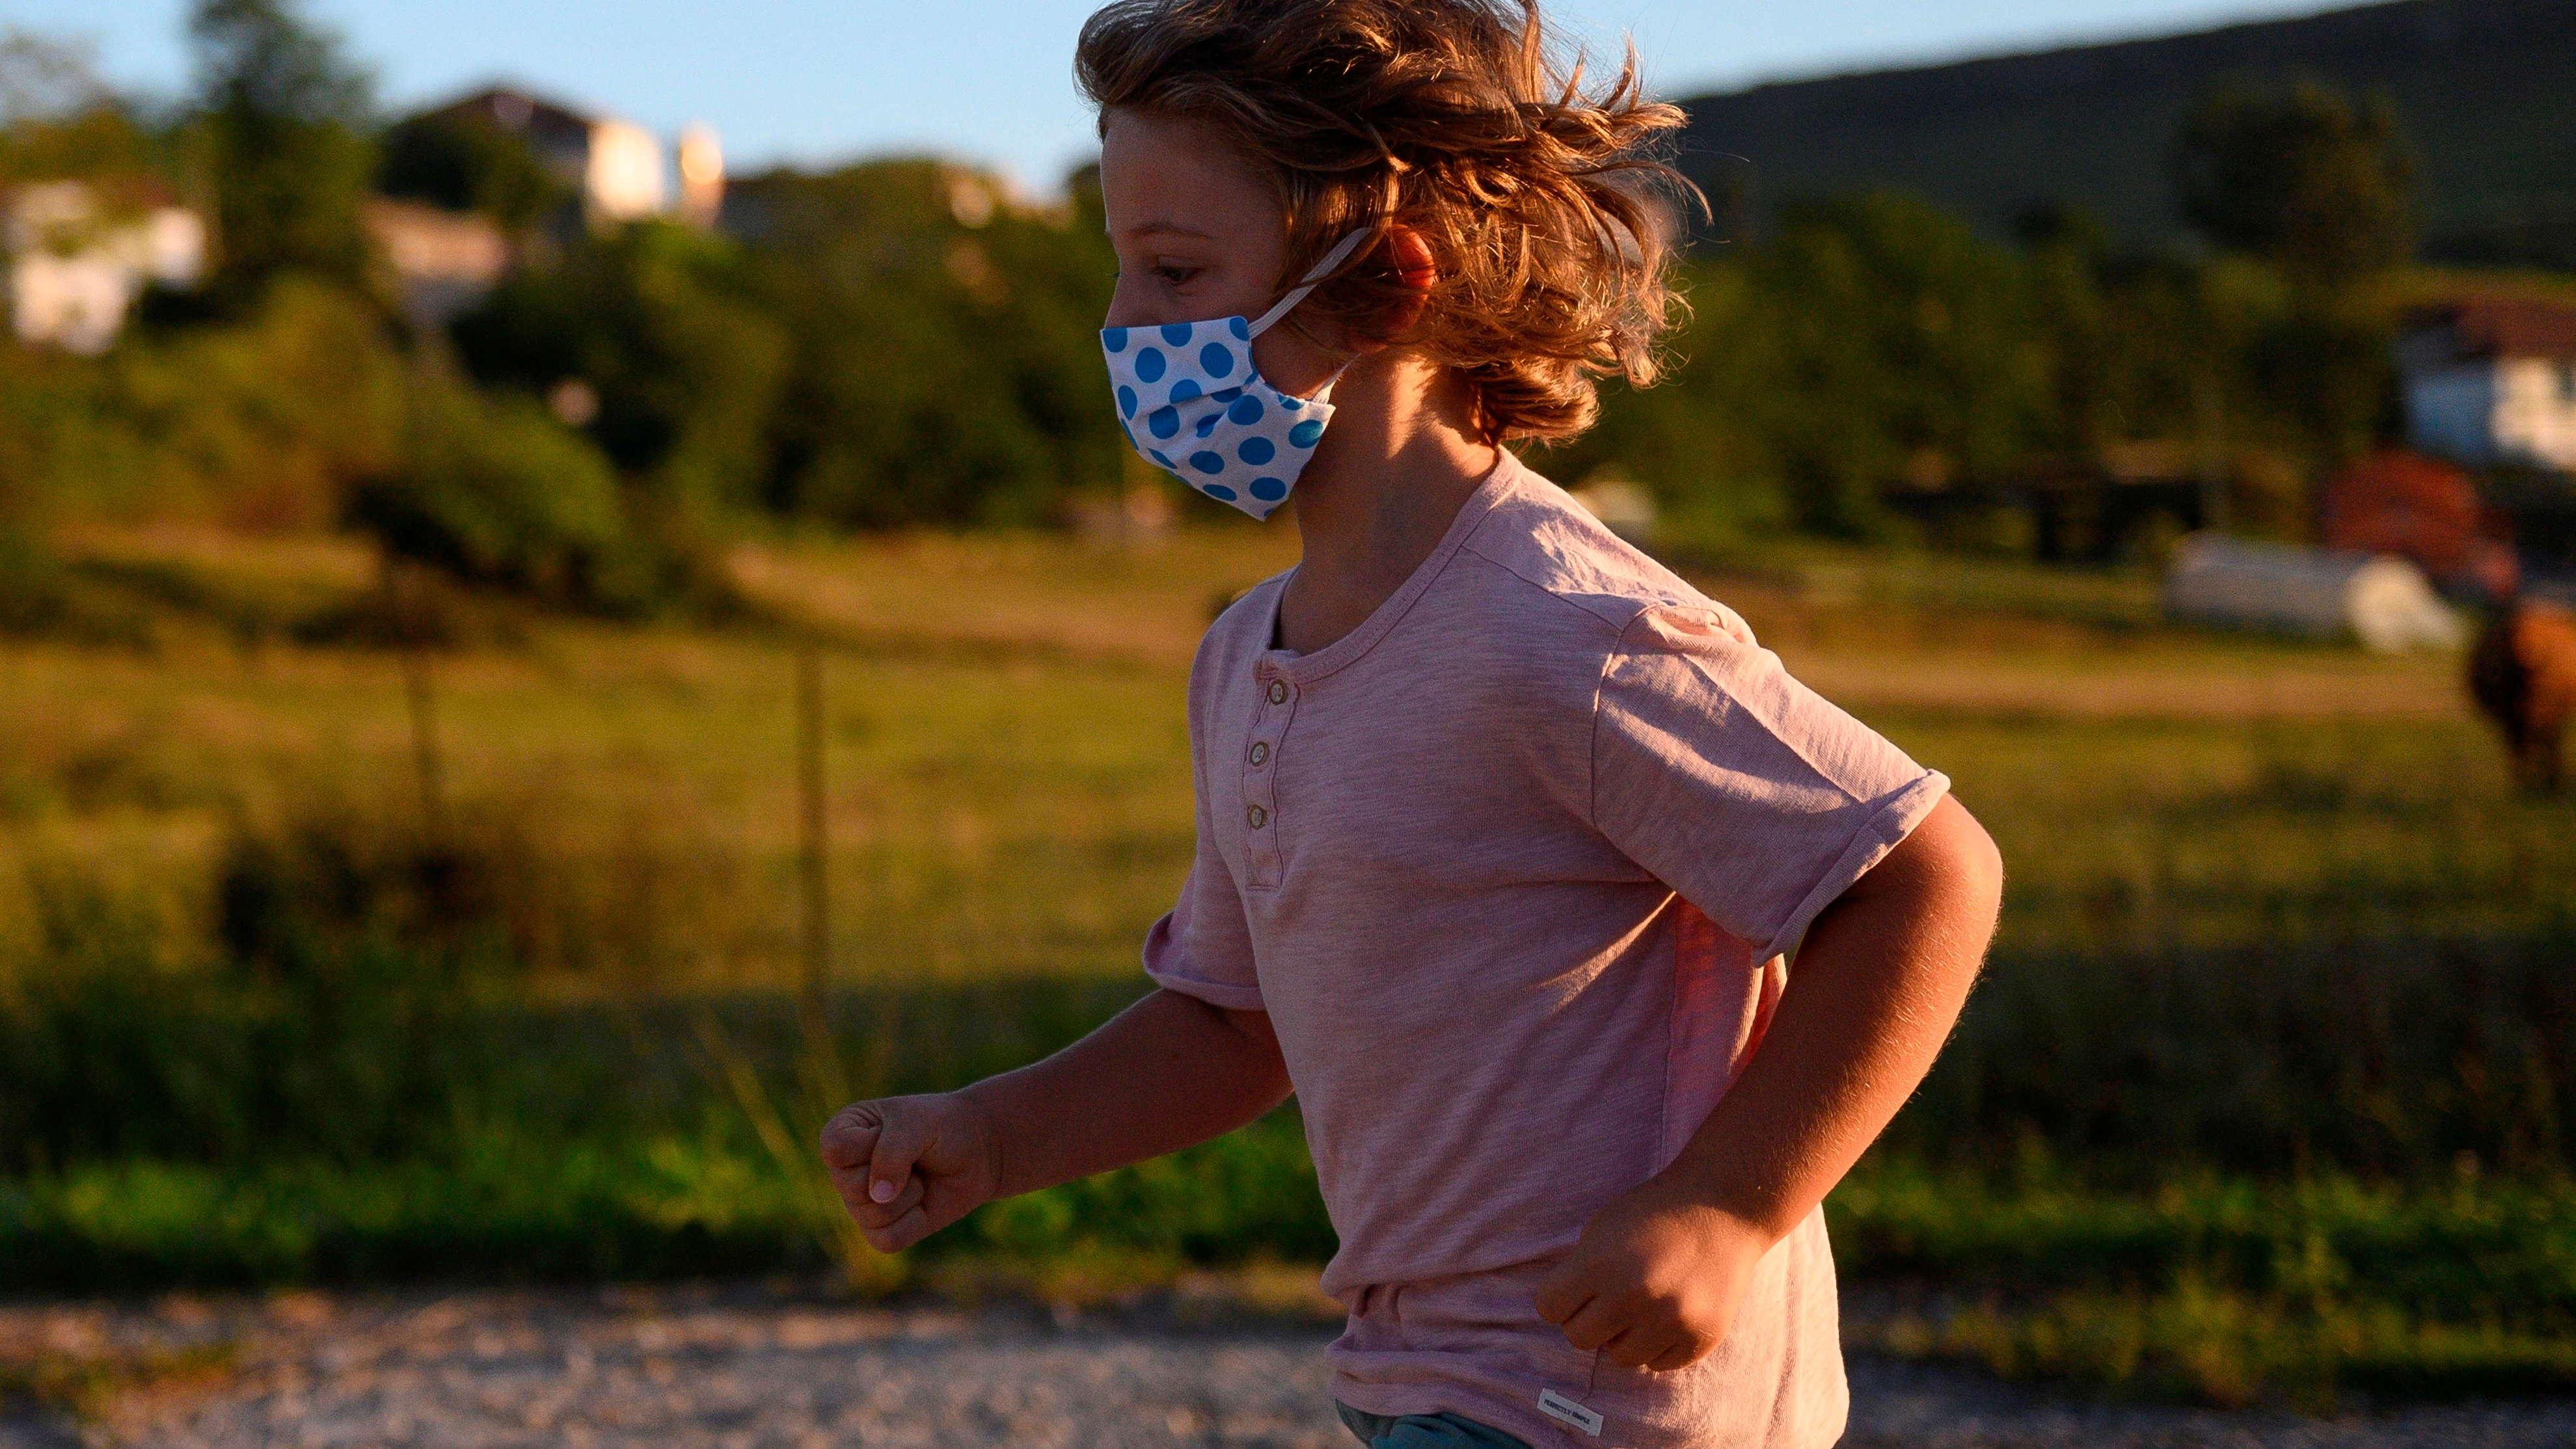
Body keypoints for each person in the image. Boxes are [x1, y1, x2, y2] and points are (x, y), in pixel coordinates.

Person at [820, 1, 2005, 1443]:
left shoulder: (1564, 632)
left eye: (1175, 271)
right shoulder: (1242, 656)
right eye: (1121, 273)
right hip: (1422, 1383)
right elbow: (1226, 1020)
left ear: (1377, 285)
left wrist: (1725, 1207)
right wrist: (994, 1133)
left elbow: (1923, 875)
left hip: (1612, 1403)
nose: (1123, 330)